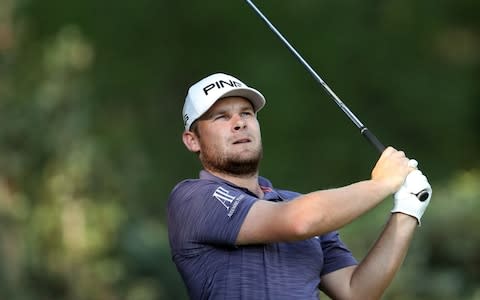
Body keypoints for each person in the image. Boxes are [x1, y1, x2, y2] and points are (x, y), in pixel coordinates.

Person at [167, 72, 432, 300]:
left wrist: (408, 210)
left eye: (246, 113)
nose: (239, 123)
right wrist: (382, 184)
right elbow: (299, 222)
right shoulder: (192, 199)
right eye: (221, 117)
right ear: (192, 140)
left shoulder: (296, 202)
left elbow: (356, 292)